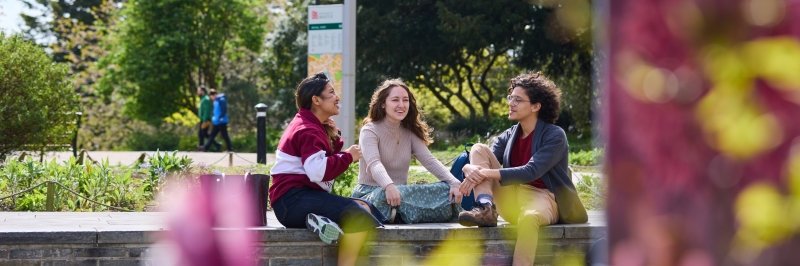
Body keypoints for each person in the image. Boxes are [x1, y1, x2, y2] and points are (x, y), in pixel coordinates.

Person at [457, 71, 588, 265]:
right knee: (478, 148)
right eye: (511, 98)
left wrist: (479, 172)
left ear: (536, 106)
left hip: (543, 197)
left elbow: (530, 171)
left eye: (518, 100)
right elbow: (485, 162)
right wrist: (469, 167)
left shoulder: (555, 135)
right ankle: (485, 208)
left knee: (529, 218)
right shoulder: (509, 135)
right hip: (512, 198)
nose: (511, 103)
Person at [269, 72, 384, 266]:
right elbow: (317, 172)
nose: (337, 97)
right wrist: (348, 157)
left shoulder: (312, 125)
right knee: (357, 215)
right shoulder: (307, 128)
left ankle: (320, 221)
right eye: (331, 93)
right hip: (292, 201)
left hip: (297, 199)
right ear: (316, 100)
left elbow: (322, 160)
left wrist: (334, 138)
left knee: (365, 208)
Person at [351, 78, 462, 224]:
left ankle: (398, 213)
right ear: (383, 104)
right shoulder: (370, 130)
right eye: (395, 100)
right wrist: (388, 186)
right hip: (372, 193)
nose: (401, 105)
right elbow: (373, 164)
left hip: (400, 194)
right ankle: (392, 212)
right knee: (382, 196)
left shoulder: (409, 133)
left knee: (446, 189)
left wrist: (454, 183)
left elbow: (430, 161)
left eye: (405, 100)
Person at [197, 86, 219, 151]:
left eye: (199, 90)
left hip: (205, 120)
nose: (198, 92)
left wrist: (205, 120)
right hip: (202, 119)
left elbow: (207, 110)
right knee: (201, 133)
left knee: (204, 134)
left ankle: (217, 144)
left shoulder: (206, 99)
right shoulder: (202, 99)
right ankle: (201, 146)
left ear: (202, 91)